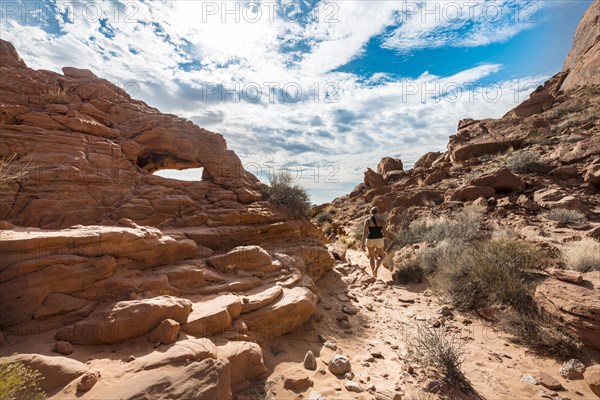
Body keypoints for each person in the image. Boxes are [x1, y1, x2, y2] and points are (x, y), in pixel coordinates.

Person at [361, 206, 386, 277]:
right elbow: (384, 231)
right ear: (378, 211)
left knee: (371, 257)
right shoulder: (381, 220)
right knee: (381, 256)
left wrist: (362, 243)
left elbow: (364, 232)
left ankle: (373, 273)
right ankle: (376, 269)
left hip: (370, 239)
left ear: (371, 212)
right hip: (379, 239)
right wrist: (387, 239)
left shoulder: (367, 221)